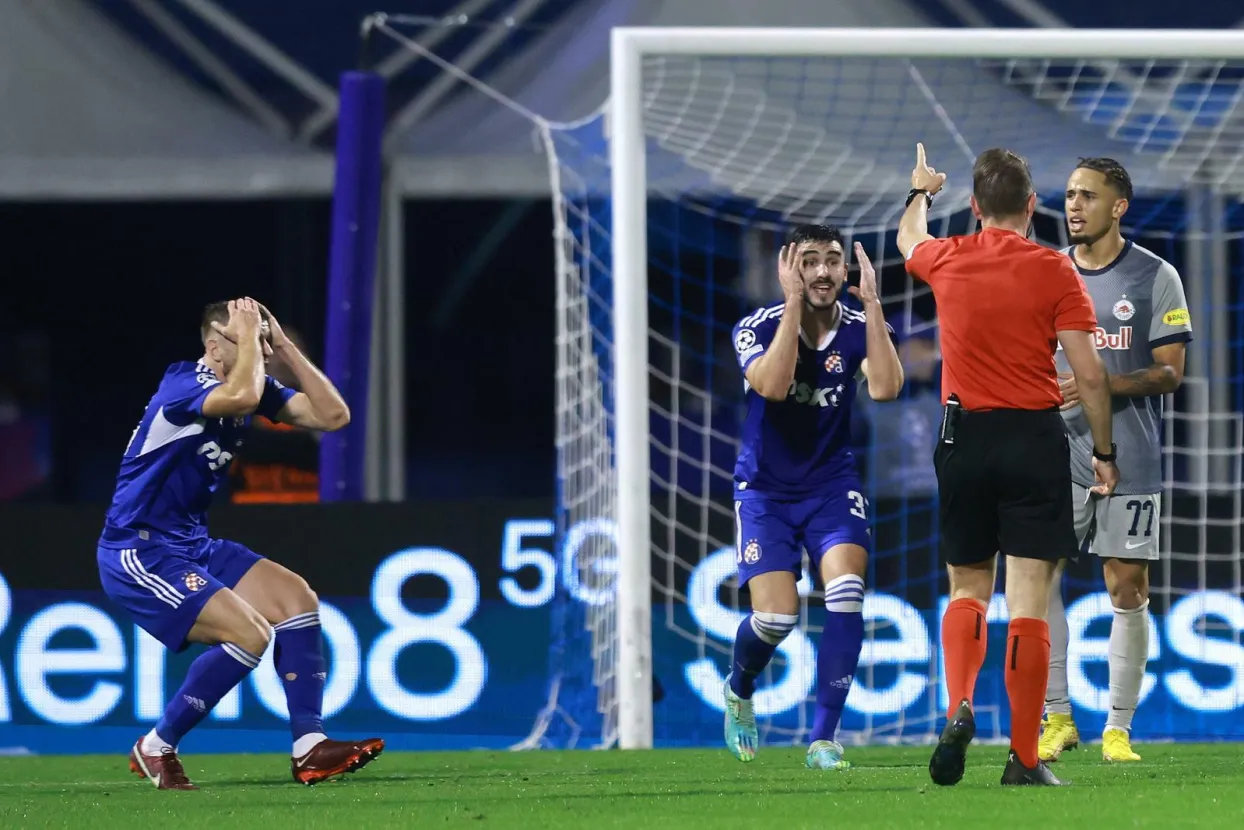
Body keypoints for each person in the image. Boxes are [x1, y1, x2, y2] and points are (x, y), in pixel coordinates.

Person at [898, 144, 1120, 786]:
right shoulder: (1055, 270)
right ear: (1032, 206)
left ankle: (958, 704)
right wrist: (1103, 455)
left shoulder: (948, 258)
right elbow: (1092, 375)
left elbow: (908, 235)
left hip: (962, 438)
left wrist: (921, 189)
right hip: (1033, 437)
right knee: (1028, 600)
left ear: (973, 207)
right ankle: (1024, 758)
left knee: (967, 587)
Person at [96, 298, 382, 790]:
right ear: (213, 346)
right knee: (250, 635)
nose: (261, 349)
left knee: (297, 600)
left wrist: (286, 347)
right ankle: (156, 747)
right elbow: (244, 397)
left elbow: (334, 416)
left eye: (262, 340)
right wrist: (251, 334)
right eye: (245, 338)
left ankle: (309, 746)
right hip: (139, 549)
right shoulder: (185, 385)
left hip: (192, 544)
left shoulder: (251, 384)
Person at [722, 224, 904, 771]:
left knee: (847, 590)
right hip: (765, 491)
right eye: (810, 261)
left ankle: (824, 738)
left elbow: (888, 388)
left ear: (845, 270)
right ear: (791, 269)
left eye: (832, 261)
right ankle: (739, 688)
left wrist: (873, 306)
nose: (822, 271)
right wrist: (791, 307)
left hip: (832, 486)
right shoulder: (755, 328)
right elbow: (774, 386)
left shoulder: (860, 325)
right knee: (776, 621)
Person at [1039, 158, 1192, 764]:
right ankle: (1057, 718)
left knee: (1125, 586)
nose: (1074, 206)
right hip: (1051, 456)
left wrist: (1099, 383)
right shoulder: (1047, 273)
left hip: (1128, 457)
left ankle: (1118, 729)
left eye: (1088, 196)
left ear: (1118, 206)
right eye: (1070, 194)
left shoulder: (1155, 276)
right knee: (1038, 581)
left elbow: (1170, 373)